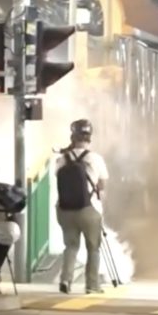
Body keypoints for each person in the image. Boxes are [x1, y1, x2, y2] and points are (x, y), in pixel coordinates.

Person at [56, 118, 109, 295]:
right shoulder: (96, 159)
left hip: (65, 209)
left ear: (73, 136)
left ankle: (65, 280)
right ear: (89, 137)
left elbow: (58, 179)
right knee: (93, 248)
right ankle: (92, 285)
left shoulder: (62, 158)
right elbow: (102, 185)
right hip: (89, 209)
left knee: (71, 246)